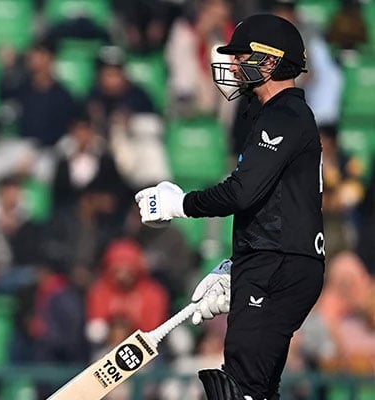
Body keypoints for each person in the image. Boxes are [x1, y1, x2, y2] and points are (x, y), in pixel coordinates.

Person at [135, 14, 325, 400]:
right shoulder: (279, 116)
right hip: (273, 260)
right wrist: (241, 267)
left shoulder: (285, 116)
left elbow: (242, 193)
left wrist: (180, 204)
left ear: (269, 62)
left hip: (277, 263)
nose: (233, 65)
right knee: (255, 388)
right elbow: (276, 204)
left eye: (242, 56)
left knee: (241, 390)